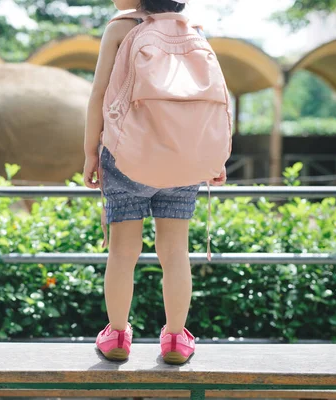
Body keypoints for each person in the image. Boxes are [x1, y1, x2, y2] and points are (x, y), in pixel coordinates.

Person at [83, 0, 228, 364]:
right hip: (184, 158)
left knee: (122, 251)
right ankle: (176, 339)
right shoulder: (192, 30)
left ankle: (116, 334)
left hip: (126, 155)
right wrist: (215, 155)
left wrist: (89, 154)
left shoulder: (120, 28)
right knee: (176, 252)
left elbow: (99, 94)